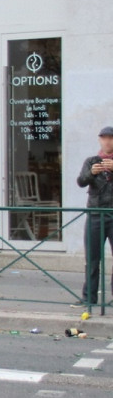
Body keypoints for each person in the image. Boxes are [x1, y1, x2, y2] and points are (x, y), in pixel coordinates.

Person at [76, 126, 113, 306]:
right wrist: (92, 173)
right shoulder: (91, 161)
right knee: (92, 259)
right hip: (95, 214)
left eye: (111, 138)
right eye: (104, 138)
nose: (107, 141)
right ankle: (89, 297)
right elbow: (81, 181)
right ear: (99, 140)